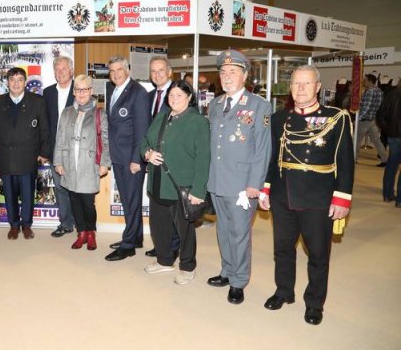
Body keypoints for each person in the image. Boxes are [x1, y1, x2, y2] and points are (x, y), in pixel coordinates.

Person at [259, 65, 354, 325]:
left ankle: (314, 302)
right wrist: (266, 187)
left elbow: (345, 160)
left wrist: (342, 197)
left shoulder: (337, 117)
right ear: (290, 87)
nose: (300, 88)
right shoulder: (279, 119)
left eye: (307, 83)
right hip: (283, 194)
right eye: (296, 83)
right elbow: (273, 159)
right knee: (282, 249)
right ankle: (284, 291)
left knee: (318, 254)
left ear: (318, 87)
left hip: (318, 197)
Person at [207, 49, 271, 304]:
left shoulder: (259, 106)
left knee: (240, 233)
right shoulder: (214, 104)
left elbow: (262, 148)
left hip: (243, 184)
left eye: (233, 72)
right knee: (223, 230)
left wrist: (255, 184)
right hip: (217, 180)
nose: (227, 76)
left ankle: (239, 280)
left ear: (244, 76)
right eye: (223, 72)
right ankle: (227, 270)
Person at [141, 80, 210, 285]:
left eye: (179, 95)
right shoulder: (162, 116)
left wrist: (198, 191)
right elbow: (145, 140)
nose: (174, 99)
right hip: (157, 182)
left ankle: (188, 267)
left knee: (185, 230)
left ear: (190, 98)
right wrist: (147, 153)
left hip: (182, 187)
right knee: (159, 226)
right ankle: (164, 260)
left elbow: (204, 158)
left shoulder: (198, 122)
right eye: (171, 95)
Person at [54, 75, 110, 250]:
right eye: (78, 89)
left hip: (89, 164)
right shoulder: (67, 112)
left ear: (91, 91)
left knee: (87, 202)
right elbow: (60, 139)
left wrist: (104, 163)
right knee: (74, 200)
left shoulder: (100, 113)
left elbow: (106, 141)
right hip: (69, 164)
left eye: (85, 89)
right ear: (74, 92)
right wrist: (58, 162)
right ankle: (81, 233)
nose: (81, 93)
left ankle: (91, 232)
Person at [104, 56, 151, 261]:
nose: (115, 74)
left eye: (119, 70)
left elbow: (142, 130)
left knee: (131, 201)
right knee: (127, 199)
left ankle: (128, 244)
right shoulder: (113, 90)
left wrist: (136, 160)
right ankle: (137, 236)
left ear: (127, 70)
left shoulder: (138, 93)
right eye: (112, 71)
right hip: (118, 156)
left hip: (130, 159)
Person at [0, 67, 49, 240]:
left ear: (25, 82)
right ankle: (13, 225)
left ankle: (26, 225)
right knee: (9, 194)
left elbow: (45, 130)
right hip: (6, 157)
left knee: (27, 195)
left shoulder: (37, 101)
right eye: (12, 80)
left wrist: (43, 152)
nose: (16, 83)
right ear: (7, 82)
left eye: (20, 80)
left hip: (28, 156)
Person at [146, 56, 176, 258]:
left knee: (173, 209)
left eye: (161, 70)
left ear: (170, 72)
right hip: (153, 161)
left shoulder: (180, 94)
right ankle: (161, 244)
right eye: (153, 71)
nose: (157, 74)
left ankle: (173, 247)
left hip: (172, 162)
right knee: (157, 208)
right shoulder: (148, 96)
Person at [43, 56, 75, 238]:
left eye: (64, 69)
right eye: (57, 69)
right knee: (60, 188)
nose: (61, 72)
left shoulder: (79, 91)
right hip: (55, 151)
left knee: (77, 189)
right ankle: (66, 223)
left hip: (76, 151)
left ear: (71, 71)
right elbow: (44, 125)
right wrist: (44, 151)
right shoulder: (47, 93)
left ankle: (82, 224)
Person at [377, 81, 401, 207]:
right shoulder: (392, 95)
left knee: (391, 165)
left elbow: (380, 115)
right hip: (395, 134)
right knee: (393, 165)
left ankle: (387, 194)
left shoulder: (391, 95)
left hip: (393, 136)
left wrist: (388, 130)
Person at [356, 74, 387, 166]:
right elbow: (380, 106)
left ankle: (353, 159)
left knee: (356, 140)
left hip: (364, 120)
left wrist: (358, 119)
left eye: (365, 80)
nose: (363, 82)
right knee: (377, 140)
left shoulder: (369, 91)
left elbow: (366, 107)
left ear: (370, 81)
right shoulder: (379, 91)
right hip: (373, 119)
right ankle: (384, 159)